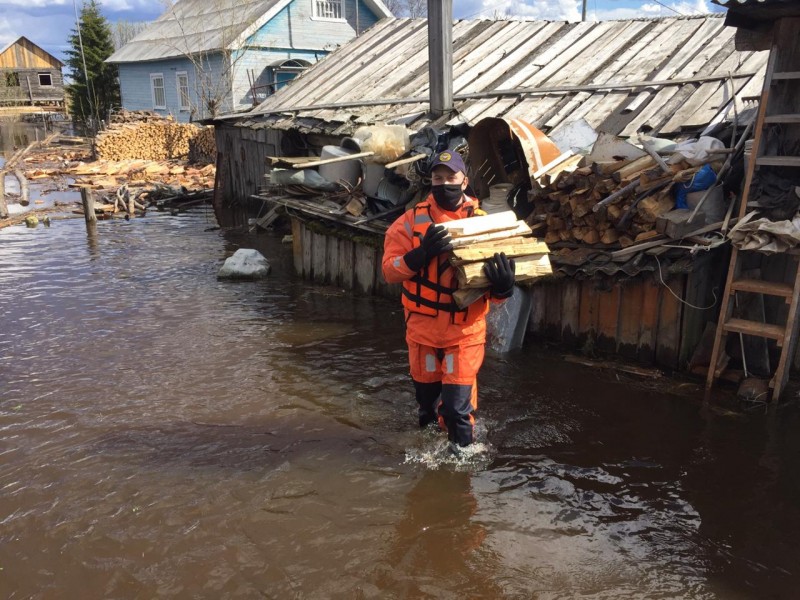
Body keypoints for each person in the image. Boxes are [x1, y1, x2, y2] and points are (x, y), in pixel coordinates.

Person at [381, 150, 516, 449]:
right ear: (430, 181)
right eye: (437, 178)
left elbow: (493, 296)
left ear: (464, 181)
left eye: (451, 177)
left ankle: (462, 469)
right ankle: (429, 464)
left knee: (456, 411)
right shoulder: (407, 223)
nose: (444, 183)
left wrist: (504, 288)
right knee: (427, 409)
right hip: (423, 332)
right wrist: (420, 254)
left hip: (464, 333)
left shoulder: (486, 226)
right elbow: (390, 272)